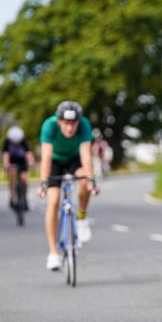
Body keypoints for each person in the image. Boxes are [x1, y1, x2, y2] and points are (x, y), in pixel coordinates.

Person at [36, 101, 99, 271]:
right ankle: (53, 253)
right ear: (59, 121)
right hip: (55, 161)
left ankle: (82, 217)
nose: (70, 128)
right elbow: (46, 155)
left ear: (79, 121)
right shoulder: (49, 126)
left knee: (85, 183)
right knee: (54, 200)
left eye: (73, 124)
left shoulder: (84, 125)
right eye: (66, 124)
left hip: (74, 159)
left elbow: (86, 154)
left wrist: (91, 180)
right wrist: (43, 182)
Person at [2, 126, 35, 210]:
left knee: (24, 179)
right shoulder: (7, 142)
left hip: (22, 161)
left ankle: (24, 198)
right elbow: (6, 155)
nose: (16, 144)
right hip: (12, 161)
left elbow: (28, 154)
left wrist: (31, 163)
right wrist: (6, 164)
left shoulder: (24, 142)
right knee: (11, 176)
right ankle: (12, 196)